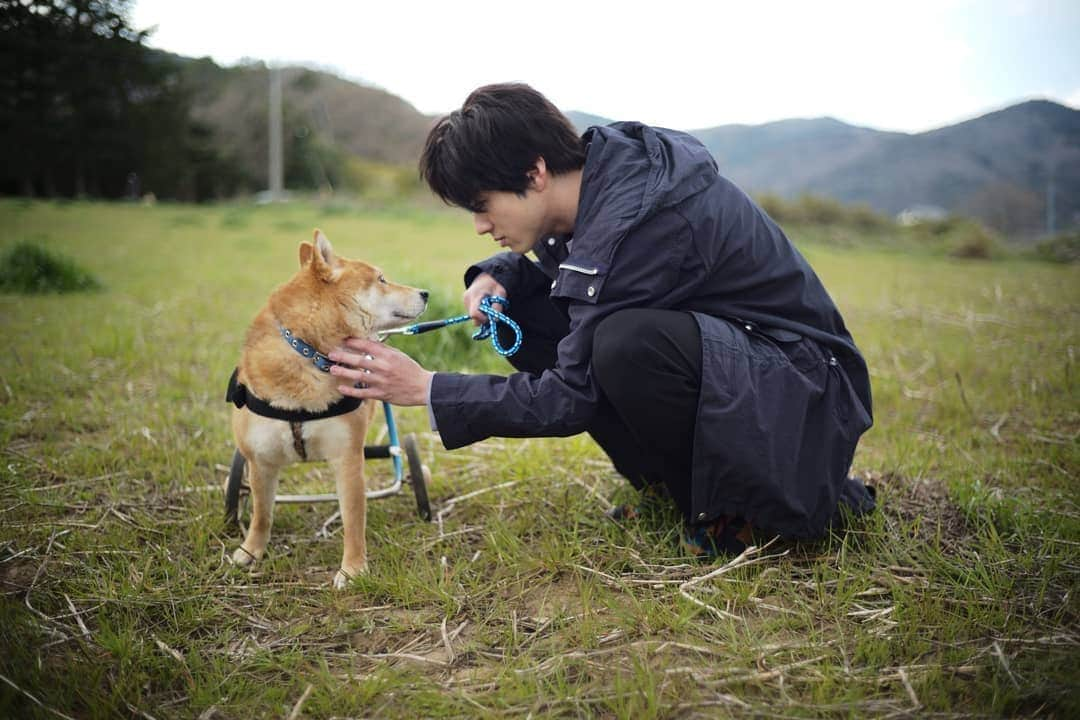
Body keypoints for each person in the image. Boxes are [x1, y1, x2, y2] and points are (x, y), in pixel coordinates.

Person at [327, 83, 875, 557]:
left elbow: (572, 394)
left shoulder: (641, 223)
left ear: (534, 172)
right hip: (754, 374)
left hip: (805, 398)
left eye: (483, 204)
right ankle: (675, 490)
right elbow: (576, 271)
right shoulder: (596, 181)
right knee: (536, 310)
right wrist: (500, 274)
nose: (479, 225)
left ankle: (740, 513)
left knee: (624, 346)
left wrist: (428, 387)